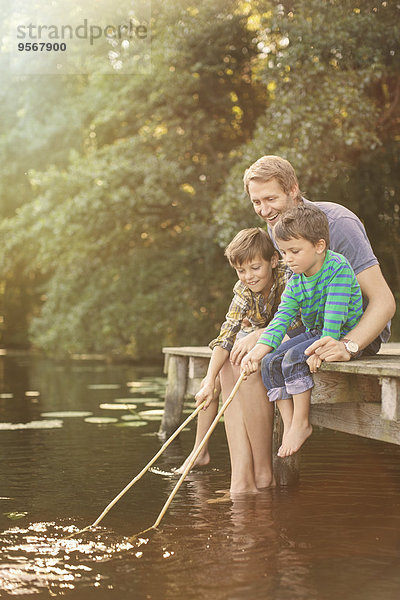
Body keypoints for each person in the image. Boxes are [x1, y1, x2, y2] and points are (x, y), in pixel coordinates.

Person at [177, 227, 299, 494]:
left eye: (255, 268)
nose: (248, 277)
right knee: (226, 364)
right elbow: (226, 333)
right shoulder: (243, 289)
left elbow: (295, 322)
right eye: (241, 271)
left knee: (248, 366)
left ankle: (262, 472)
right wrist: (208, 380)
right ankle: (241, 478)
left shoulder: (288, 277)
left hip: (289, 336)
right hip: (255, 337)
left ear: (273, 261)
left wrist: (257, 334)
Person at [243, 155, 395, 361]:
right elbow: (296, 292)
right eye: (257, 202)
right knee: (241, 354)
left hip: (355, 330)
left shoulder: (339, 224)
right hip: (312, 326)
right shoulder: (277, 226)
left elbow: (384, 302)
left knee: (274, 359)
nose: (264, 210)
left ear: (293, 189)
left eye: (271, 199)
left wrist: (347, 346)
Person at [241, 204, 363, 457]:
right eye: (284, 252)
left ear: (319, 246)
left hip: (343, 334)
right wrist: (258, 350)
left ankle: (302, 422)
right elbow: (281, 319)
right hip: (318, 331)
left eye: (294, 251)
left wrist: (322, 349)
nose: (288, 260)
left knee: (293, 358)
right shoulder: (297, 281)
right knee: (270, 361)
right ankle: (290, 423)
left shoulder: (337, 268)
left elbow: (334, 318)